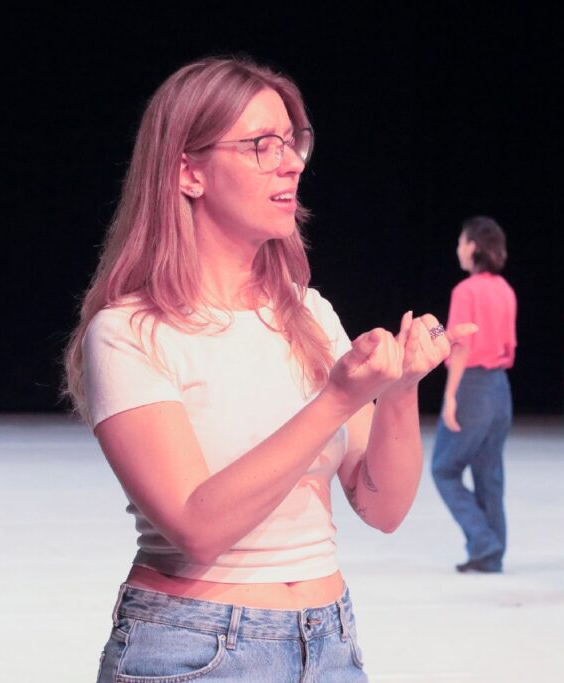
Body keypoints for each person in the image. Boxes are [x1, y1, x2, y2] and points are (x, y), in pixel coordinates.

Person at [63, 56, 470, 682]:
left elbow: (382, 508)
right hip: (195, 650)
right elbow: (198, 527)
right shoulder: (128, 332)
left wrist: (399, 390)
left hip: (330, 643)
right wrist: (336, 399)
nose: (292, 163)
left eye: (292, 141)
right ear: (189, 172)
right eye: (261, 145)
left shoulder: (310, 314)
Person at [431, 216, 516, 573]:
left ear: (474, 247)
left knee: (443, 469)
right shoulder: (505, 290)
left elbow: (461, 345)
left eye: (461, 242)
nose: (458, 249)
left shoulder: (466, 291)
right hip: (500, 388)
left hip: (474, 386)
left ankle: (483, 542)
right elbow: (509, 344)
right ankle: (490, 554)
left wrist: (451, 396)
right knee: (488, 473)